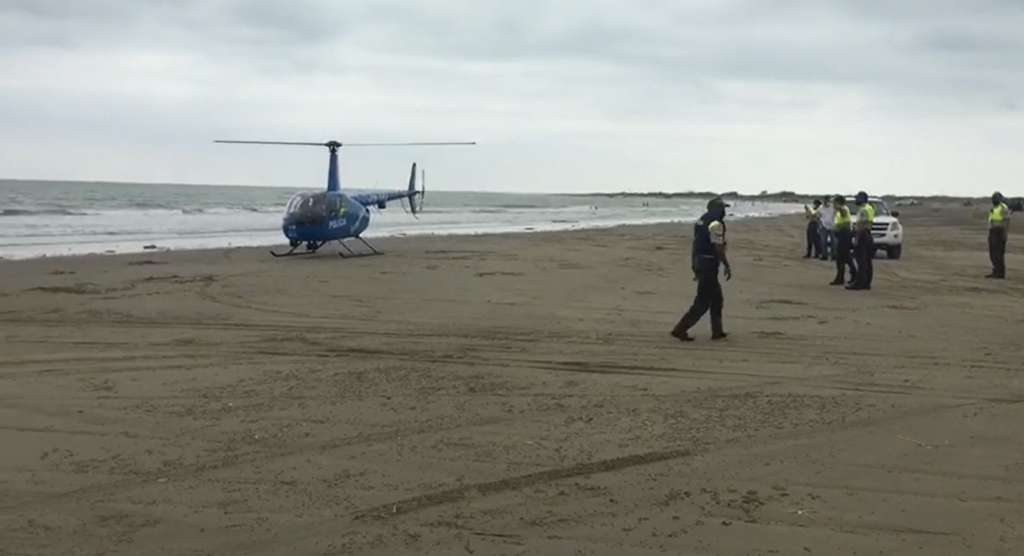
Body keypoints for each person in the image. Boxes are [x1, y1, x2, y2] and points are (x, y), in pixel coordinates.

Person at [671, 197, 732, 341]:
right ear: (714, 209)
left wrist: (694, 264)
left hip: (700, 260)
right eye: (722, 208)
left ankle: (717, 331)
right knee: (703, 301)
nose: (724, 211)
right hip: (709, 263)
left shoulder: (700, 221)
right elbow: (718, 246)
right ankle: (680, 329)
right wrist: (726, 264)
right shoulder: (716, 224)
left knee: (716, 299)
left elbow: (695, 243)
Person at [848, 191, 875, 290]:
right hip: (868, 234)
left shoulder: (863, 209)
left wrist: (857, 238)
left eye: (857, 198)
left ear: (862, 199)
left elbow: (862, 225)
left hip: (863, 235)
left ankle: (859, 283)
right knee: (867, 261)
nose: (856, 200)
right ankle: (866, 283)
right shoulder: (869, 208)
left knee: (861, 260)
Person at [830, 195, 856, 286]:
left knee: (845, 256)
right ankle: (840, 277)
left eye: (834, 202)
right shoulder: (839, 211)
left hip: (844, 234)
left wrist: (838, 208)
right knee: (841, 257)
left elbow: (846, 220)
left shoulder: (843, 209)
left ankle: (853, 275)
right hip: (841, 234)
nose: (832, 204)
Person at [987, 191, 1011, 279]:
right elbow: (991, 220)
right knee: (992, 253)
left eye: (995, 198)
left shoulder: (1003, 208)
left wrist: (1005, 233)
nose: (994, 200)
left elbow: (1006, 221)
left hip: (1000, 232)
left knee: (999, 254)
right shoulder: (993, 208)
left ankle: (1000, 273)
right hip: (993, 232)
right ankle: (995, 271)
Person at [818, 196, 834, 260]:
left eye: (827, 201)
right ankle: (824, 255)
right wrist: (820, 225)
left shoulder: (833, 207)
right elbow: (818, 216)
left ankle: (834, 255)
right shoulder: (820, 208)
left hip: (833, 226)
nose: (826, 202)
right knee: (823, 242)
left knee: (834, 242)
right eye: (824, 201)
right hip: (824, 226)